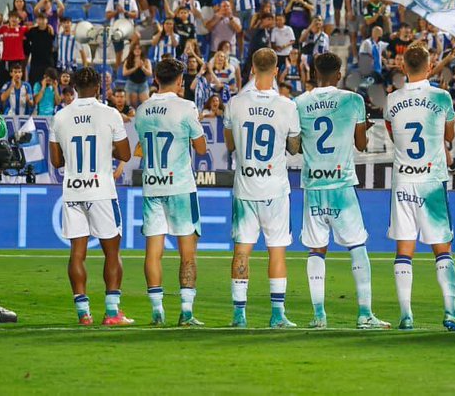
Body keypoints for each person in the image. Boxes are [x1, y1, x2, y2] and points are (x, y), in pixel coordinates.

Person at [292, 52, 391, 330]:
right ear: (339, 74)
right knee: (357, 246)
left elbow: (296, 145)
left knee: (316, 249)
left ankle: (319, 316)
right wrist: (362, 129)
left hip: (313, 184)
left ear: (314, 73)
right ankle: (364, 314)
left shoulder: (299, 103)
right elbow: (361, 144)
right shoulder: (353, 100)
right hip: (342, 185)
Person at [382, 42, 455, 331]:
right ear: (430, 67)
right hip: (431, 181)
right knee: (442, 248)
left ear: (403, 67)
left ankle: (406, 315)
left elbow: (393, 134)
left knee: (404, 249)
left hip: (404, 179)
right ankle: (451, 312)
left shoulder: (392, 100)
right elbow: (450, 133)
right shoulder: (442, 97)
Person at [223, 48, 302, 329]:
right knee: (277, 251)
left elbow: (230, 144)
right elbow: (294, 148)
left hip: (245, 189)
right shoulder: (287, 106)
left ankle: (239, 314)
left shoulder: (234, 104)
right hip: (275, 190)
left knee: (242, 250)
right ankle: (277, 314)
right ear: (277, 70)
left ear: (252, 69)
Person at [48, 67, 133, 326]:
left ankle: (83, 313)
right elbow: (125, 154)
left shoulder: (60, 117)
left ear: (73, 87)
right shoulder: (110, 114)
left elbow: (56, 160)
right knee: (112, 252)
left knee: (77, 253)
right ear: (98, 88)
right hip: (101, 191)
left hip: (73, 189)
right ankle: (111, 312)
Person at [134, 57, 209, 326]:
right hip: (179, 186)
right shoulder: (186, 107)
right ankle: (186, 311)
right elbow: (201, 149)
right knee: (187, 252)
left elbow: (140, 148)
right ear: (180, 81)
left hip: (152, 186)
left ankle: (157, 311)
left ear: (155, 78)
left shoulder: (142, 110)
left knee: (153, 252)